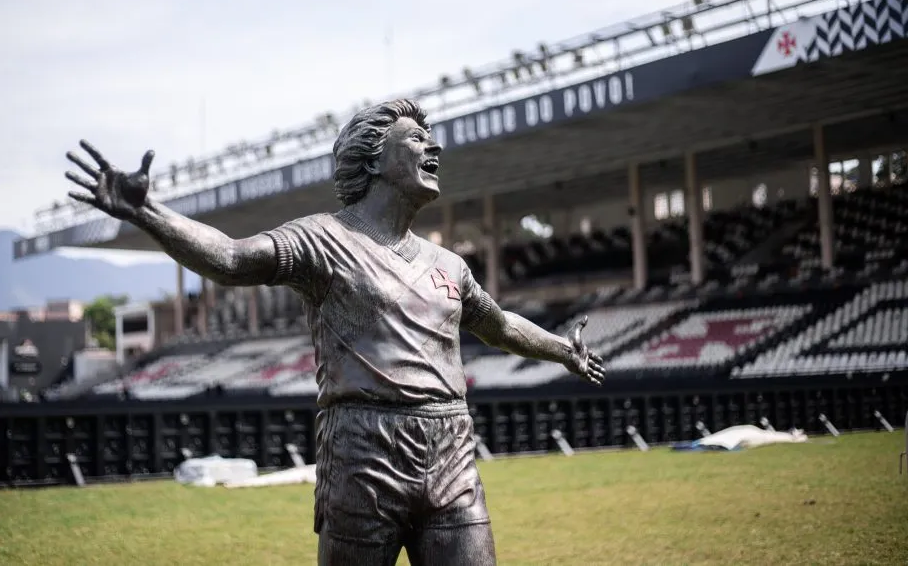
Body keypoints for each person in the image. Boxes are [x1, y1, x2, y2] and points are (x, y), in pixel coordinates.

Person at [65, 98, 605, 566]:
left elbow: (499, 325)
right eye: (416, 139)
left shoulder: (449, 265)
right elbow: (231, 258)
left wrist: (563, 350)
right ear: (374, 160)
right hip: (363, 452)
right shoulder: (323, 239)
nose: (434, 147)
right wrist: (148, 212)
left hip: (451, 451)